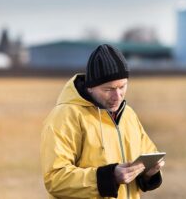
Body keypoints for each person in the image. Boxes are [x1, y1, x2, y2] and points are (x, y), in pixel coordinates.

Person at [40, 44, 165, 199]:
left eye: (122, 86)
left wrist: (149, 173)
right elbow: (55, 179)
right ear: (90, 87)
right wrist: (110, 177)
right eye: (108, 89)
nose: (117, 95)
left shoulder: (129, 115)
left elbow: (147, 156)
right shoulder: (65, 116)